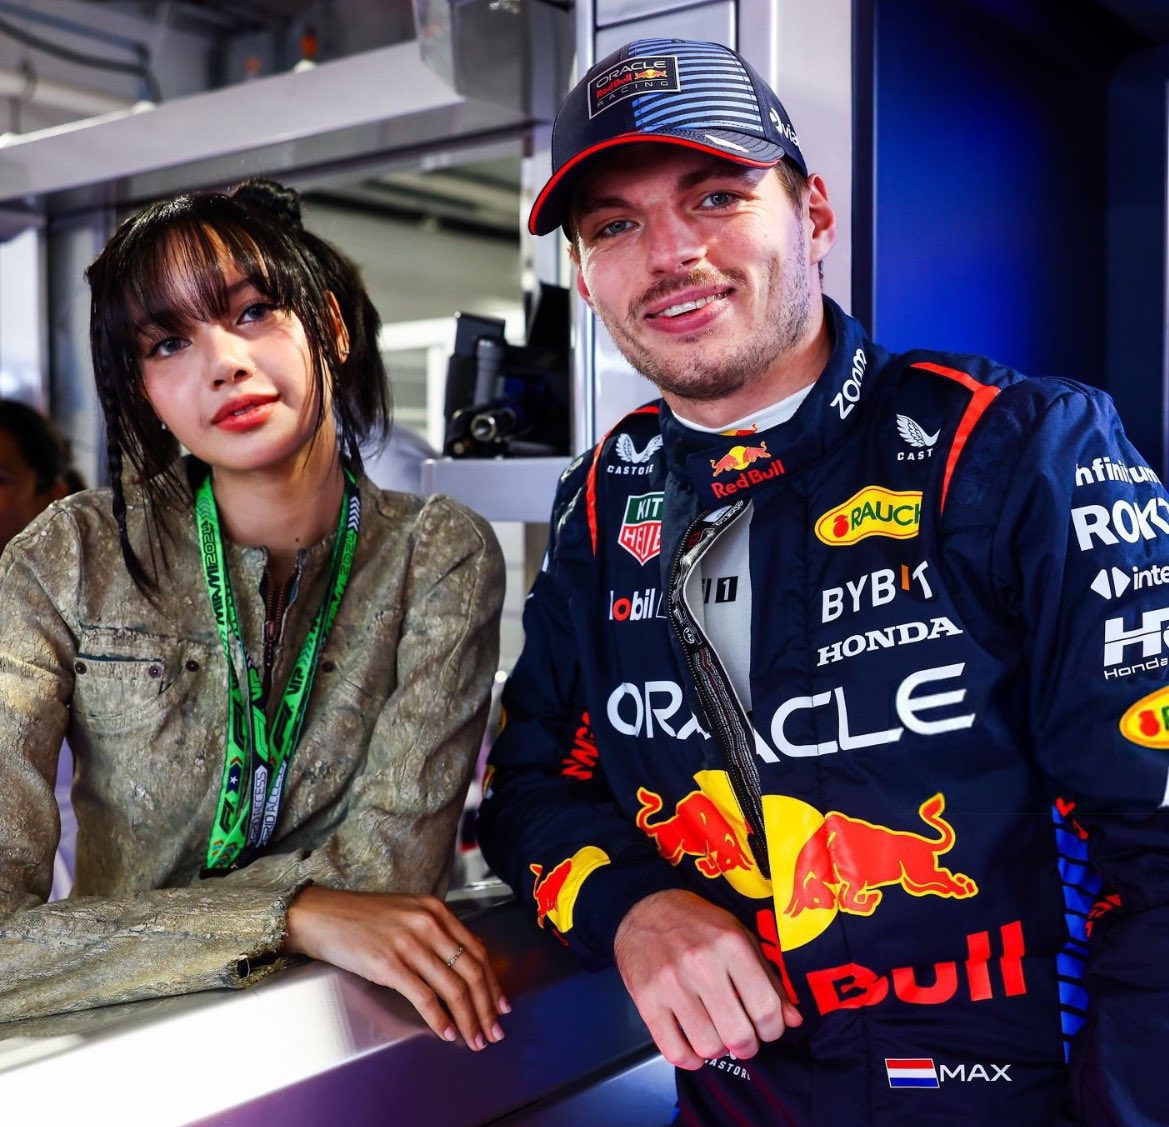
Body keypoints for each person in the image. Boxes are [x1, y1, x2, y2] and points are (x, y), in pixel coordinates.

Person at [477, 37, 1169, 1123]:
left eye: (713, 196)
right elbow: (523, 790)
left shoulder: (1009, 446)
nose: (668, 253)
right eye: (613, 225)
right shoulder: (605, 502)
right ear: (584, 274)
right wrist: (631, 904)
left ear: (810, 216)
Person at [0, 181, 509, 1053]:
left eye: (254, 311)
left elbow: (391, 874)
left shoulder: (437, 555)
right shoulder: (71, 557)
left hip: (343, 1044)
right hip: (104, 1056)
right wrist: (299, 909)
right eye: (167, 342)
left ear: (332, 329)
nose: (222, 363)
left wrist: (119, 932)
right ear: (147, 391)